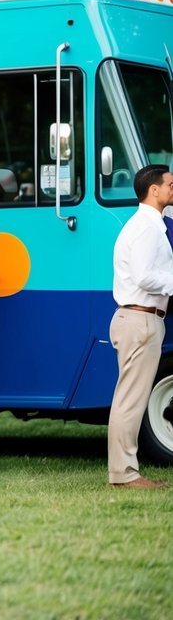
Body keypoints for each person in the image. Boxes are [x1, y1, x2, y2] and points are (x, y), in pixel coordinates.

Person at [108, 164, 173, 488]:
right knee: (130, 400)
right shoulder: (146, 228)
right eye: (170, 185)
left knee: (130, 398)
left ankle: (124, 471)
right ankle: (124, 474)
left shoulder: (151, 225)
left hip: (141, 319)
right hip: (139, 319)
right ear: (154, 190)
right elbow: (145, 275)